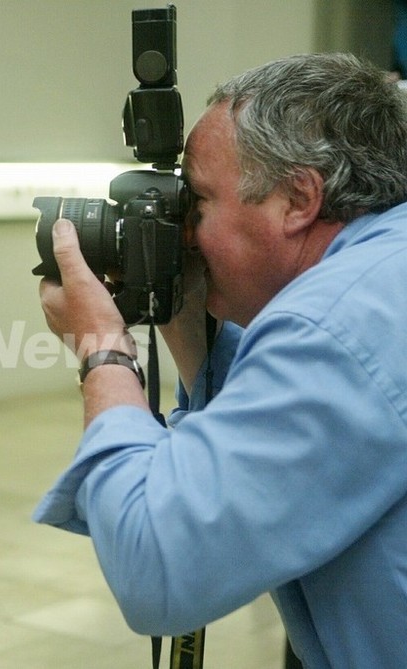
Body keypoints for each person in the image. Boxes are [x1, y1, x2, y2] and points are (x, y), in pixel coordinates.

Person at [33, 52, 407, 669]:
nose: (186, 233)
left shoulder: (334, 323)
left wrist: (103, 347)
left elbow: (158, 567)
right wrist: (184, 302)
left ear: (297, 199)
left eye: (199, 204)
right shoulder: (379, 273)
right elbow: (272, 441)